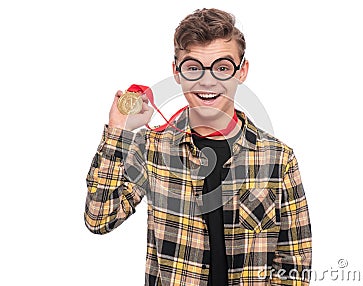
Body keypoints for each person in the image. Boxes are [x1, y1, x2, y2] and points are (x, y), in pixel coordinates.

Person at [85, 8, 312, 286]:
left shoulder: (278, 158)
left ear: (242, 72)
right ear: (176, 72)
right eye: (193, 67)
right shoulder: (151, 148)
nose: (207, 81)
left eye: (222, 68)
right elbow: (99, 219)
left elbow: (293, 264)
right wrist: (118, 133)